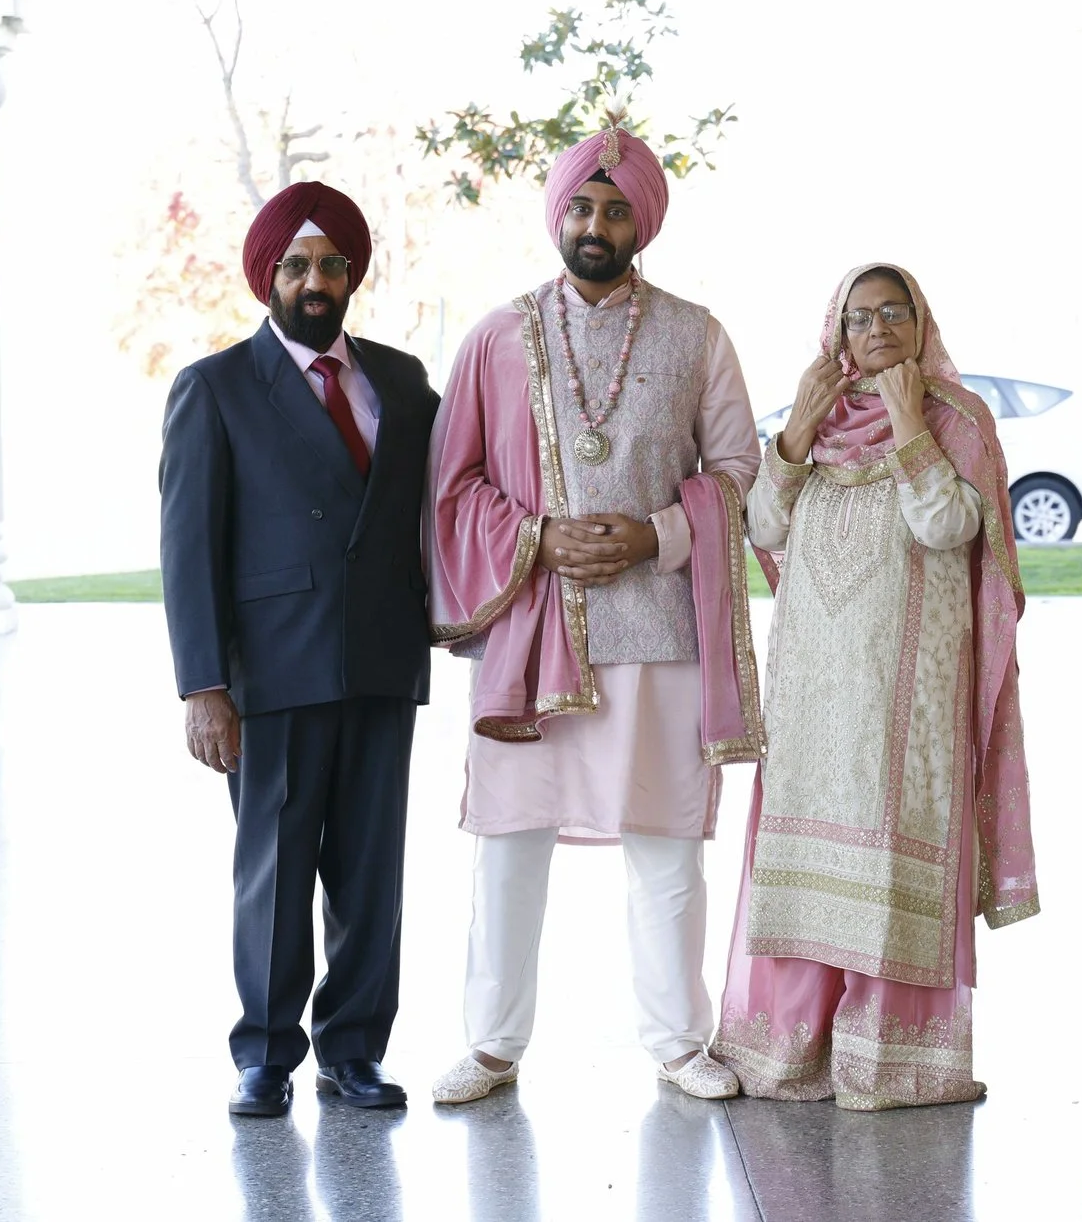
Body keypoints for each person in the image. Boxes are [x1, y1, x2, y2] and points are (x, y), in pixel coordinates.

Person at [424, 125, 766, 1106]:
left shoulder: (697, 333)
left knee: (663, 845)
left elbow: (735, 469)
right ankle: (490, 1045)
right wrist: (537, 537)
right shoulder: (496, 335)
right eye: (580, 205)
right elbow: (455, 485)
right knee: (511, 842)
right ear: (556, 214)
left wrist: (656, 533)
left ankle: (677, 1041)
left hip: (659, 630)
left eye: (615, 208)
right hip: (536, 636)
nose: (595, 223)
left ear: (642, 218)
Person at [710, 263, 1039, 1109]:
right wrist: (794, 436)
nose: (878, 328)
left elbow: (949, 525)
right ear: (838, 333)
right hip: (816, 689)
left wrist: (905, 423)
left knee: (894, 845)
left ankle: (887, 1059)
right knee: (809, 846)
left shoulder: (958, 419)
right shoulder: (811, 426)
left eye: (895, 313)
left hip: (910, 689)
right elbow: (766, 527)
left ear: (922, 323)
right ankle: (793, 1046)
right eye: (860, 317)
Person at [158, 180, 440, 1118]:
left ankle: (353, 1049)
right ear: (266, 277)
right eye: (295, 264)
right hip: (271, 672)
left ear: (351, 273)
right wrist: (204, 683)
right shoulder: (215, 388)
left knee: (370, 868)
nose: (313, 280)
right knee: (273, 872)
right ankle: (266, 1053)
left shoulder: (402, 383)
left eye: (330, 263)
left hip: (382, 661)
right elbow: (187, 546)